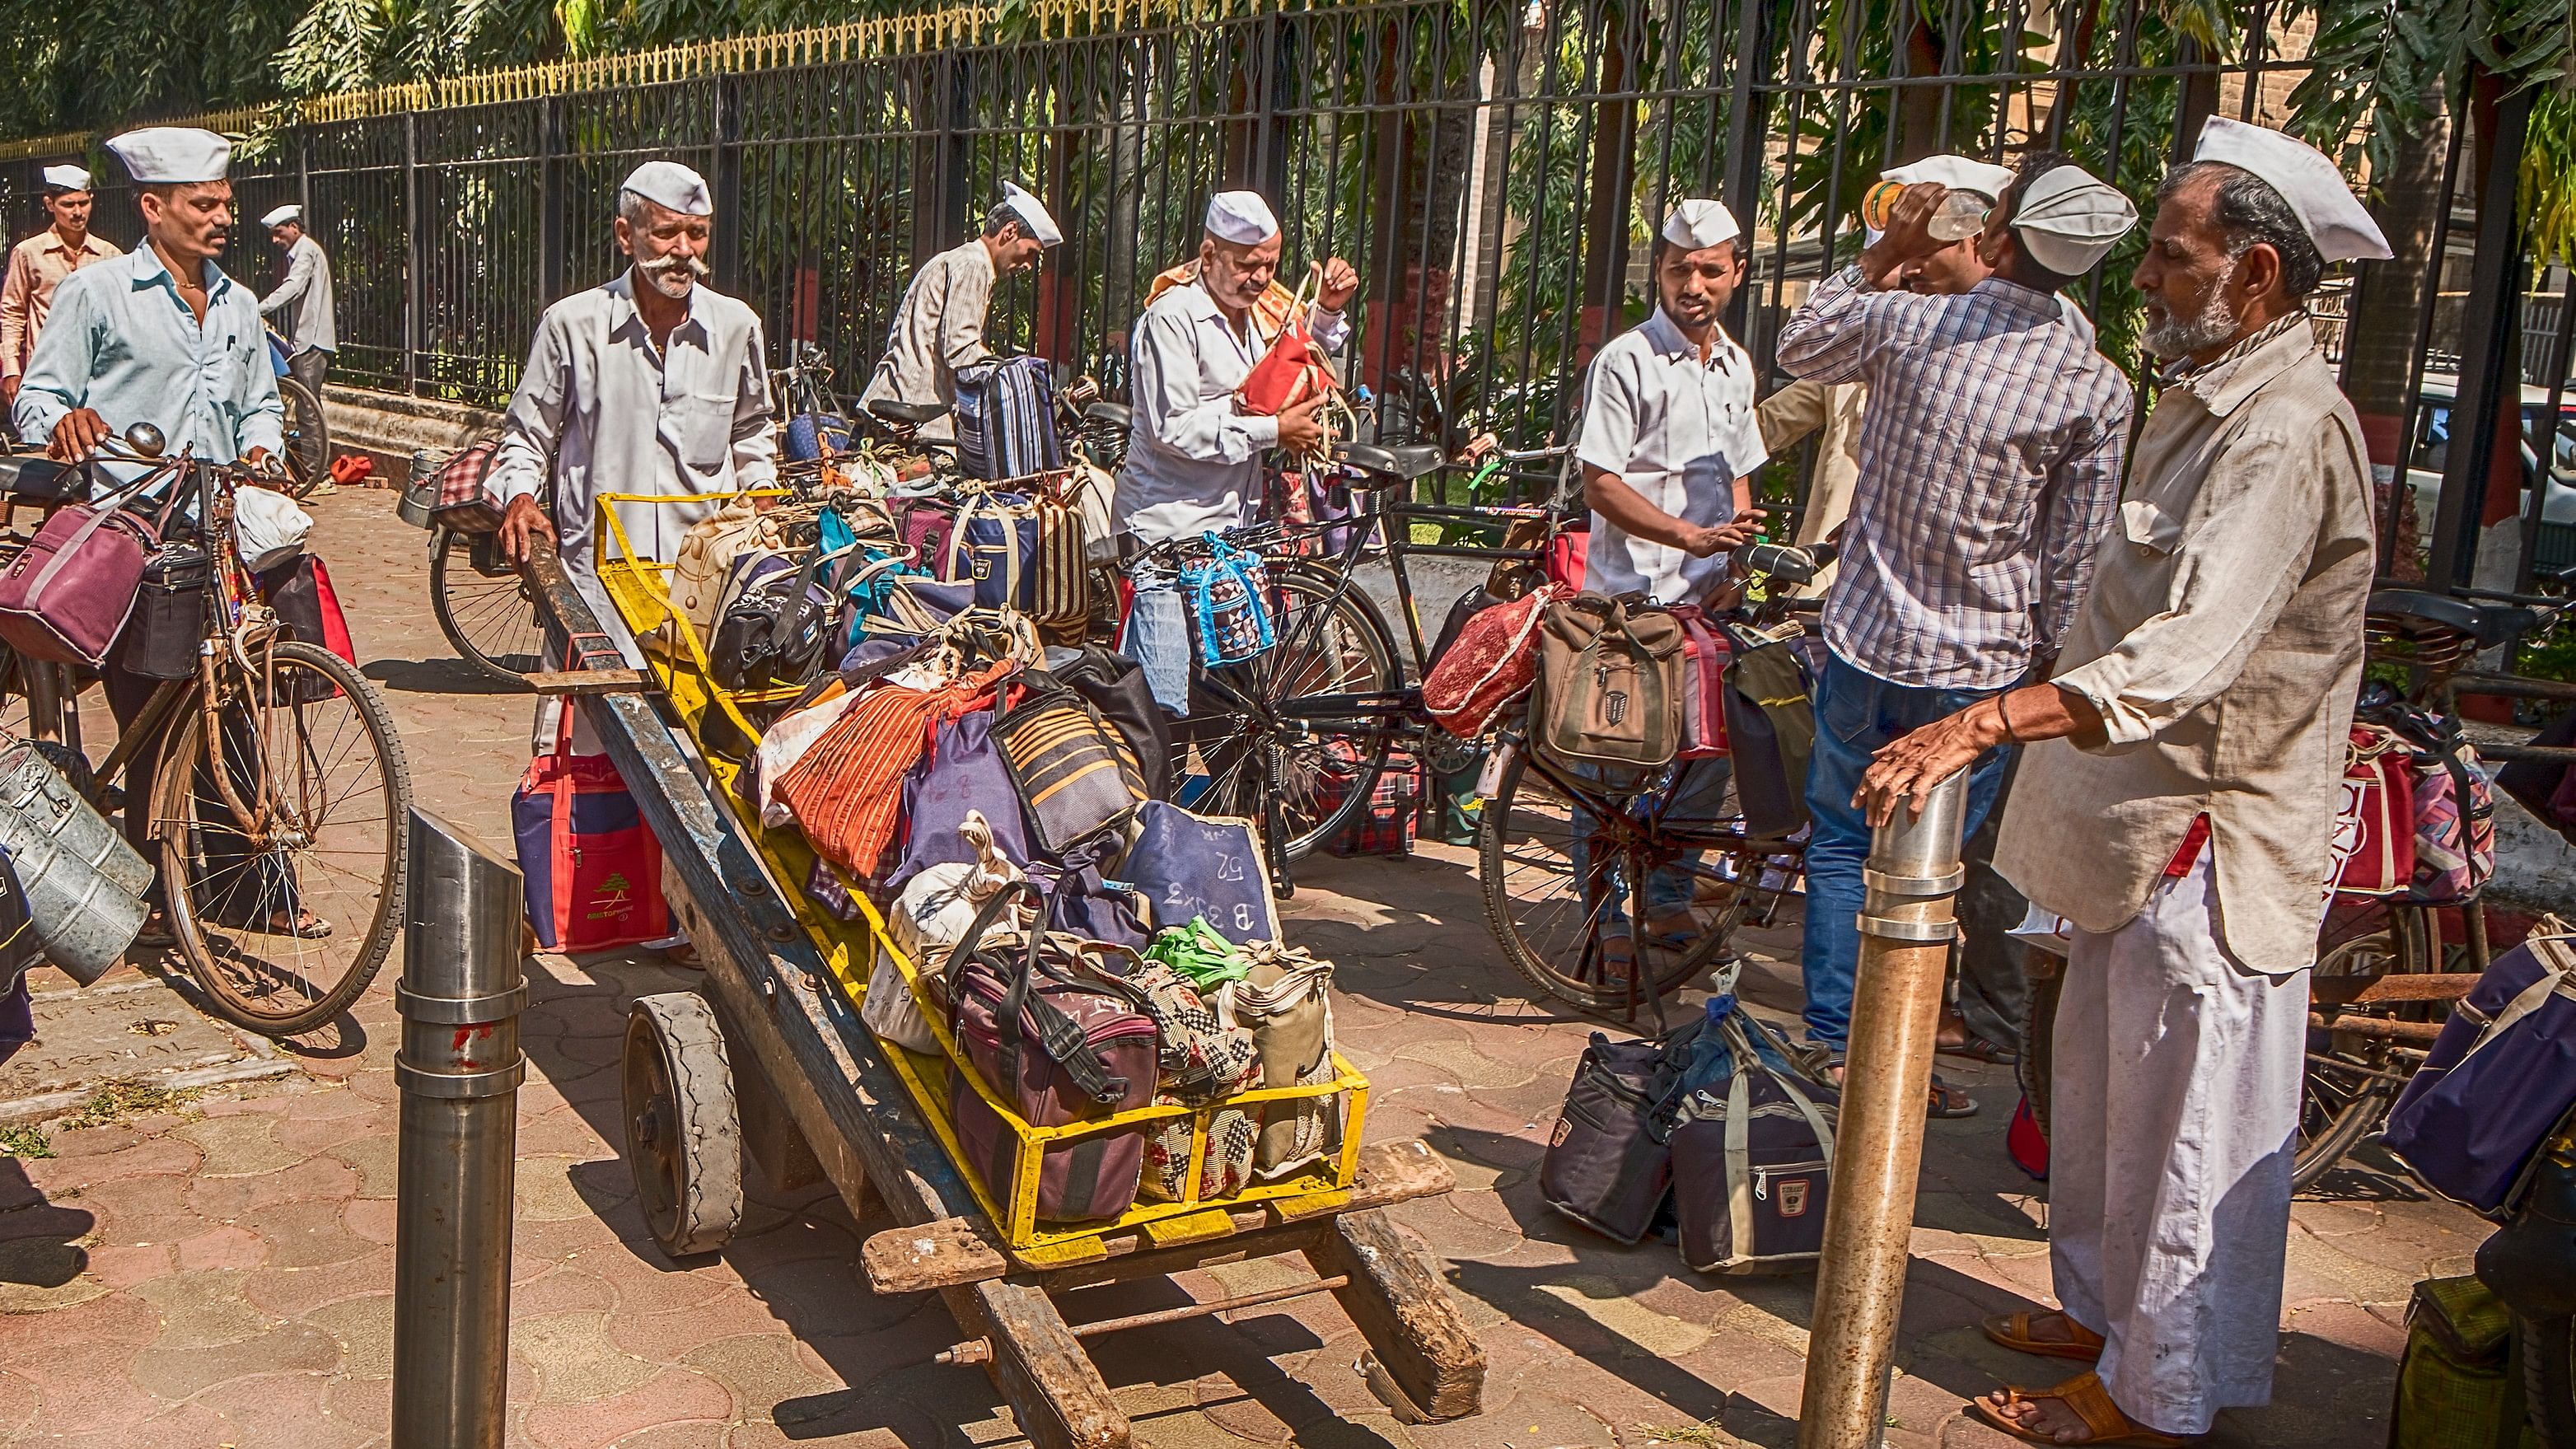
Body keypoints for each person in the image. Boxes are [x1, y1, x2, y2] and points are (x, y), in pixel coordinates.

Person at [1857, 119, 2391, 1447]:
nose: (2142, 277)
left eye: (2169, 253)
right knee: (2100, 1110)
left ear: (2254, 274)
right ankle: (2105, 1319)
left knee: (2182, 1143)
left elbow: (2187, 651)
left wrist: (1984, 718)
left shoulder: (2279, 430)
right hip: (2126, 834)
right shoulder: (2207, 390)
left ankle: (2152, 1397)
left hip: (2204, 846)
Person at [1772, 153, 2137, 1116]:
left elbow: (1799, 346)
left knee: (1846, 843)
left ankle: (1832, 1041)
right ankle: (1894, 1058)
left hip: (1864, 641)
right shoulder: (2093, 384)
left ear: (2000, 234)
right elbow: (2073, 553)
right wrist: (2052, 664)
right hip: (1980, 670)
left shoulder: (1908, 322)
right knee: (1928, 869)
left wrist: (1887, 249)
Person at [12, 128, 299, 941]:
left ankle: (245, 887)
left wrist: (260, 447)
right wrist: (64, 421)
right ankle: (140, 889)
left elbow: (261, 403)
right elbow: (39, 397)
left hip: (222, 532)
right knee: (153, 717)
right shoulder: (98, 294)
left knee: (240, 702)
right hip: (131, 529)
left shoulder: (242, 305)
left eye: (224, 205)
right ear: (153, 208)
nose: (220, 218)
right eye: (202, 205)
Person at [491, 159, 777, 740]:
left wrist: (762, 493)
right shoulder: (572, 326)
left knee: (695, 773)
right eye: (665, 232)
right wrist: (520, 496)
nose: (683, 250)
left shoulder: (735, 328)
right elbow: (526, 433)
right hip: (596, 595)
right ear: (626, 235)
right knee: (583, 764)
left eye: (695, 233)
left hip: (703, 598)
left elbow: (752, 430)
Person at [1569, 198, 1769, 969]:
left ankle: (1664, 897)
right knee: (1611, 764)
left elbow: (1740, 476)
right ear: (1659, 270)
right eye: (1680, 268)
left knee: (1705, 755)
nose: (1694, 283)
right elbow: (1601, 484)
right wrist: (1685, 535)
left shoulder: (1734, 364)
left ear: (1735, 275)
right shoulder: (1627, 360)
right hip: (1630, 599)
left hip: (1706, 599)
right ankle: (1602, 917)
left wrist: (1731, 558)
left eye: (1710, 270)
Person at [1115, 189, 1357, 713]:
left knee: (1236, 705)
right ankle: (1152, 794)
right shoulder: (1171, 320)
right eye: (1248, 266)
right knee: (1163, 705)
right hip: (1166, 534)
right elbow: (1171, 428)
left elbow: (1293, 355)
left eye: (1270, 265)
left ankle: (1227, 793)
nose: (1262, 279)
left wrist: (1329, 310)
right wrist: (1273, 431)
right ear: (1208, 256)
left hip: (1230, 536)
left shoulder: (1260, 312)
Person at [1757, 155, 2020, 595]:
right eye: (1902, 255)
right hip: (1851, 578)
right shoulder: (1892, 327)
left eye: (1921, 252)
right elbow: (1793, 372)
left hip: (1956, 597)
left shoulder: (2048, 337)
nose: (1909, 270)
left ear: (1978, 239)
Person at [858, 183, 1061, 441]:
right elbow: (961, 351)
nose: (1029, 265)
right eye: (1031, 252)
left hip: (897, 399)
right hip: (918, 416)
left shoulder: (960, 260)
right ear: (1010, 232)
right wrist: (1017, 379)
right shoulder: (975, 266)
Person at [0, 165, 119, 411]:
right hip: (45, 373)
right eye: (67, 204)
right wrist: (11, 368)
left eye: (83, 203)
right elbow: (12, 312)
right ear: (49, 204)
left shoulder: (110, 255)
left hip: (98, 377)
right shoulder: (28, 252)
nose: (77, 212)